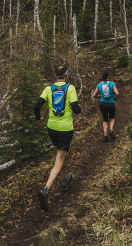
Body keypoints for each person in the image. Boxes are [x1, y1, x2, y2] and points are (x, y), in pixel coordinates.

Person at [34, 64, 81, 211]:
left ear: (56, 76)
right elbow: (76, 109)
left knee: (60, 155)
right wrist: (79, 108)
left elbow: (37, 106)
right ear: (66, 75)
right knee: (59, 159)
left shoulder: (48, 89)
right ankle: (46, 190)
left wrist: (38, 119)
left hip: (51, 128)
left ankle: (64, 180)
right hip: (65, 128)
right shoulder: (70, 88)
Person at [93, 71, 119, 142]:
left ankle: (105, 136)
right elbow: (117, 93)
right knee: (112, 118)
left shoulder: (99, 85)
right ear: (108, 77)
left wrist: (100, 96)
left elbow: (94, 95)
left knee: (105, 119)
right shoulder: (111, 84)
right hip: (111, 104)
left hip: (102, 104)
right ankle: (111, 130)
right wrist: (114, 96)